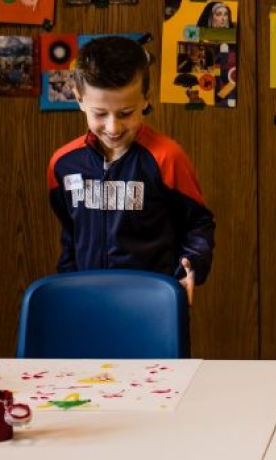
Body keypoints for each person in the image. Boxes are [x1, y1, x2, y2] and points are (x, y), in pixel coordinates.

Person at [47, 36, 214, 305]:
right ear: (78, 99)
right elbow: (70, 232)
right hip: (84, 301)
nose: (113, 127)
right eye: (100, 114)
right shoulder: (63, 164)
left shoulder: (167, 157)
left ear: (146, 99)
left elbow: (197, 223)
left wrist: (191, 266)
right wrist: (67, 281)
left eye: (125, 113)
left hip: (153, 305)